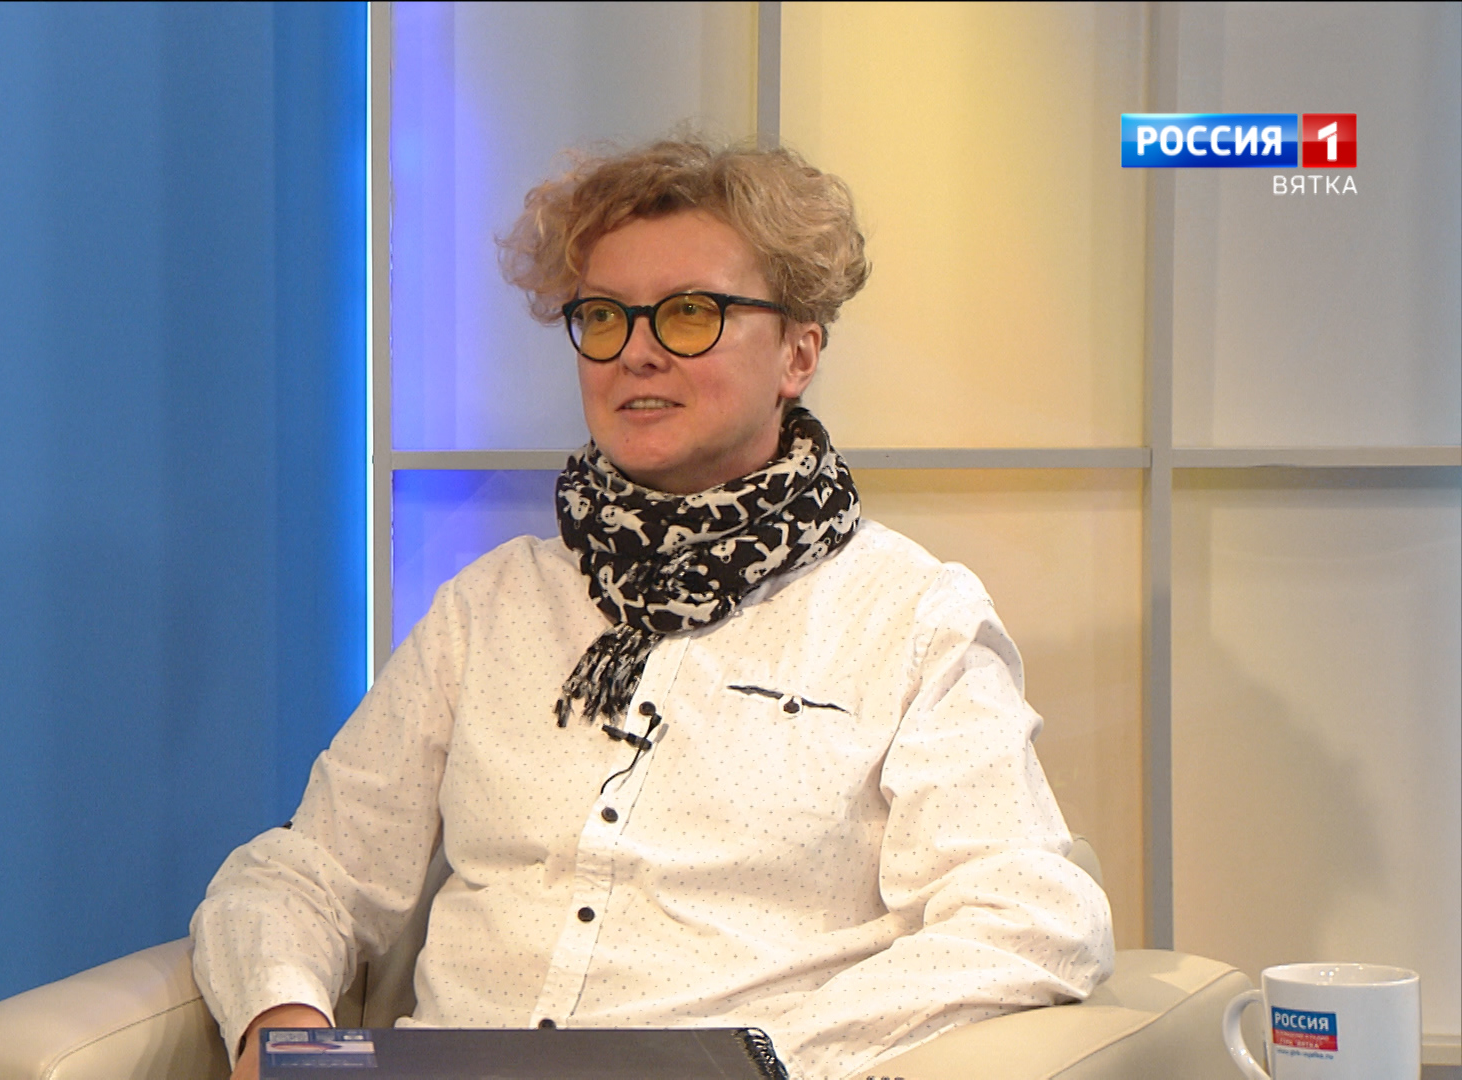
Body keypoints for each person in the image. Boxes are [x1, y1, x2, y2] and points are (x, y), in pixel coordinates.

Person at [189, 137, 1114, 1080]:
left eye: (689, 314)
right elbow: (307, 873)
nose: (635, 352)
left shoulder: (909, 616)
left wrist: (764, 1063)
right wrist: (286, 1032)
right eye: (604, 317)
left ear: (798, 353)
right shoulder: (491, 607)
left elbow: (1028, 912)